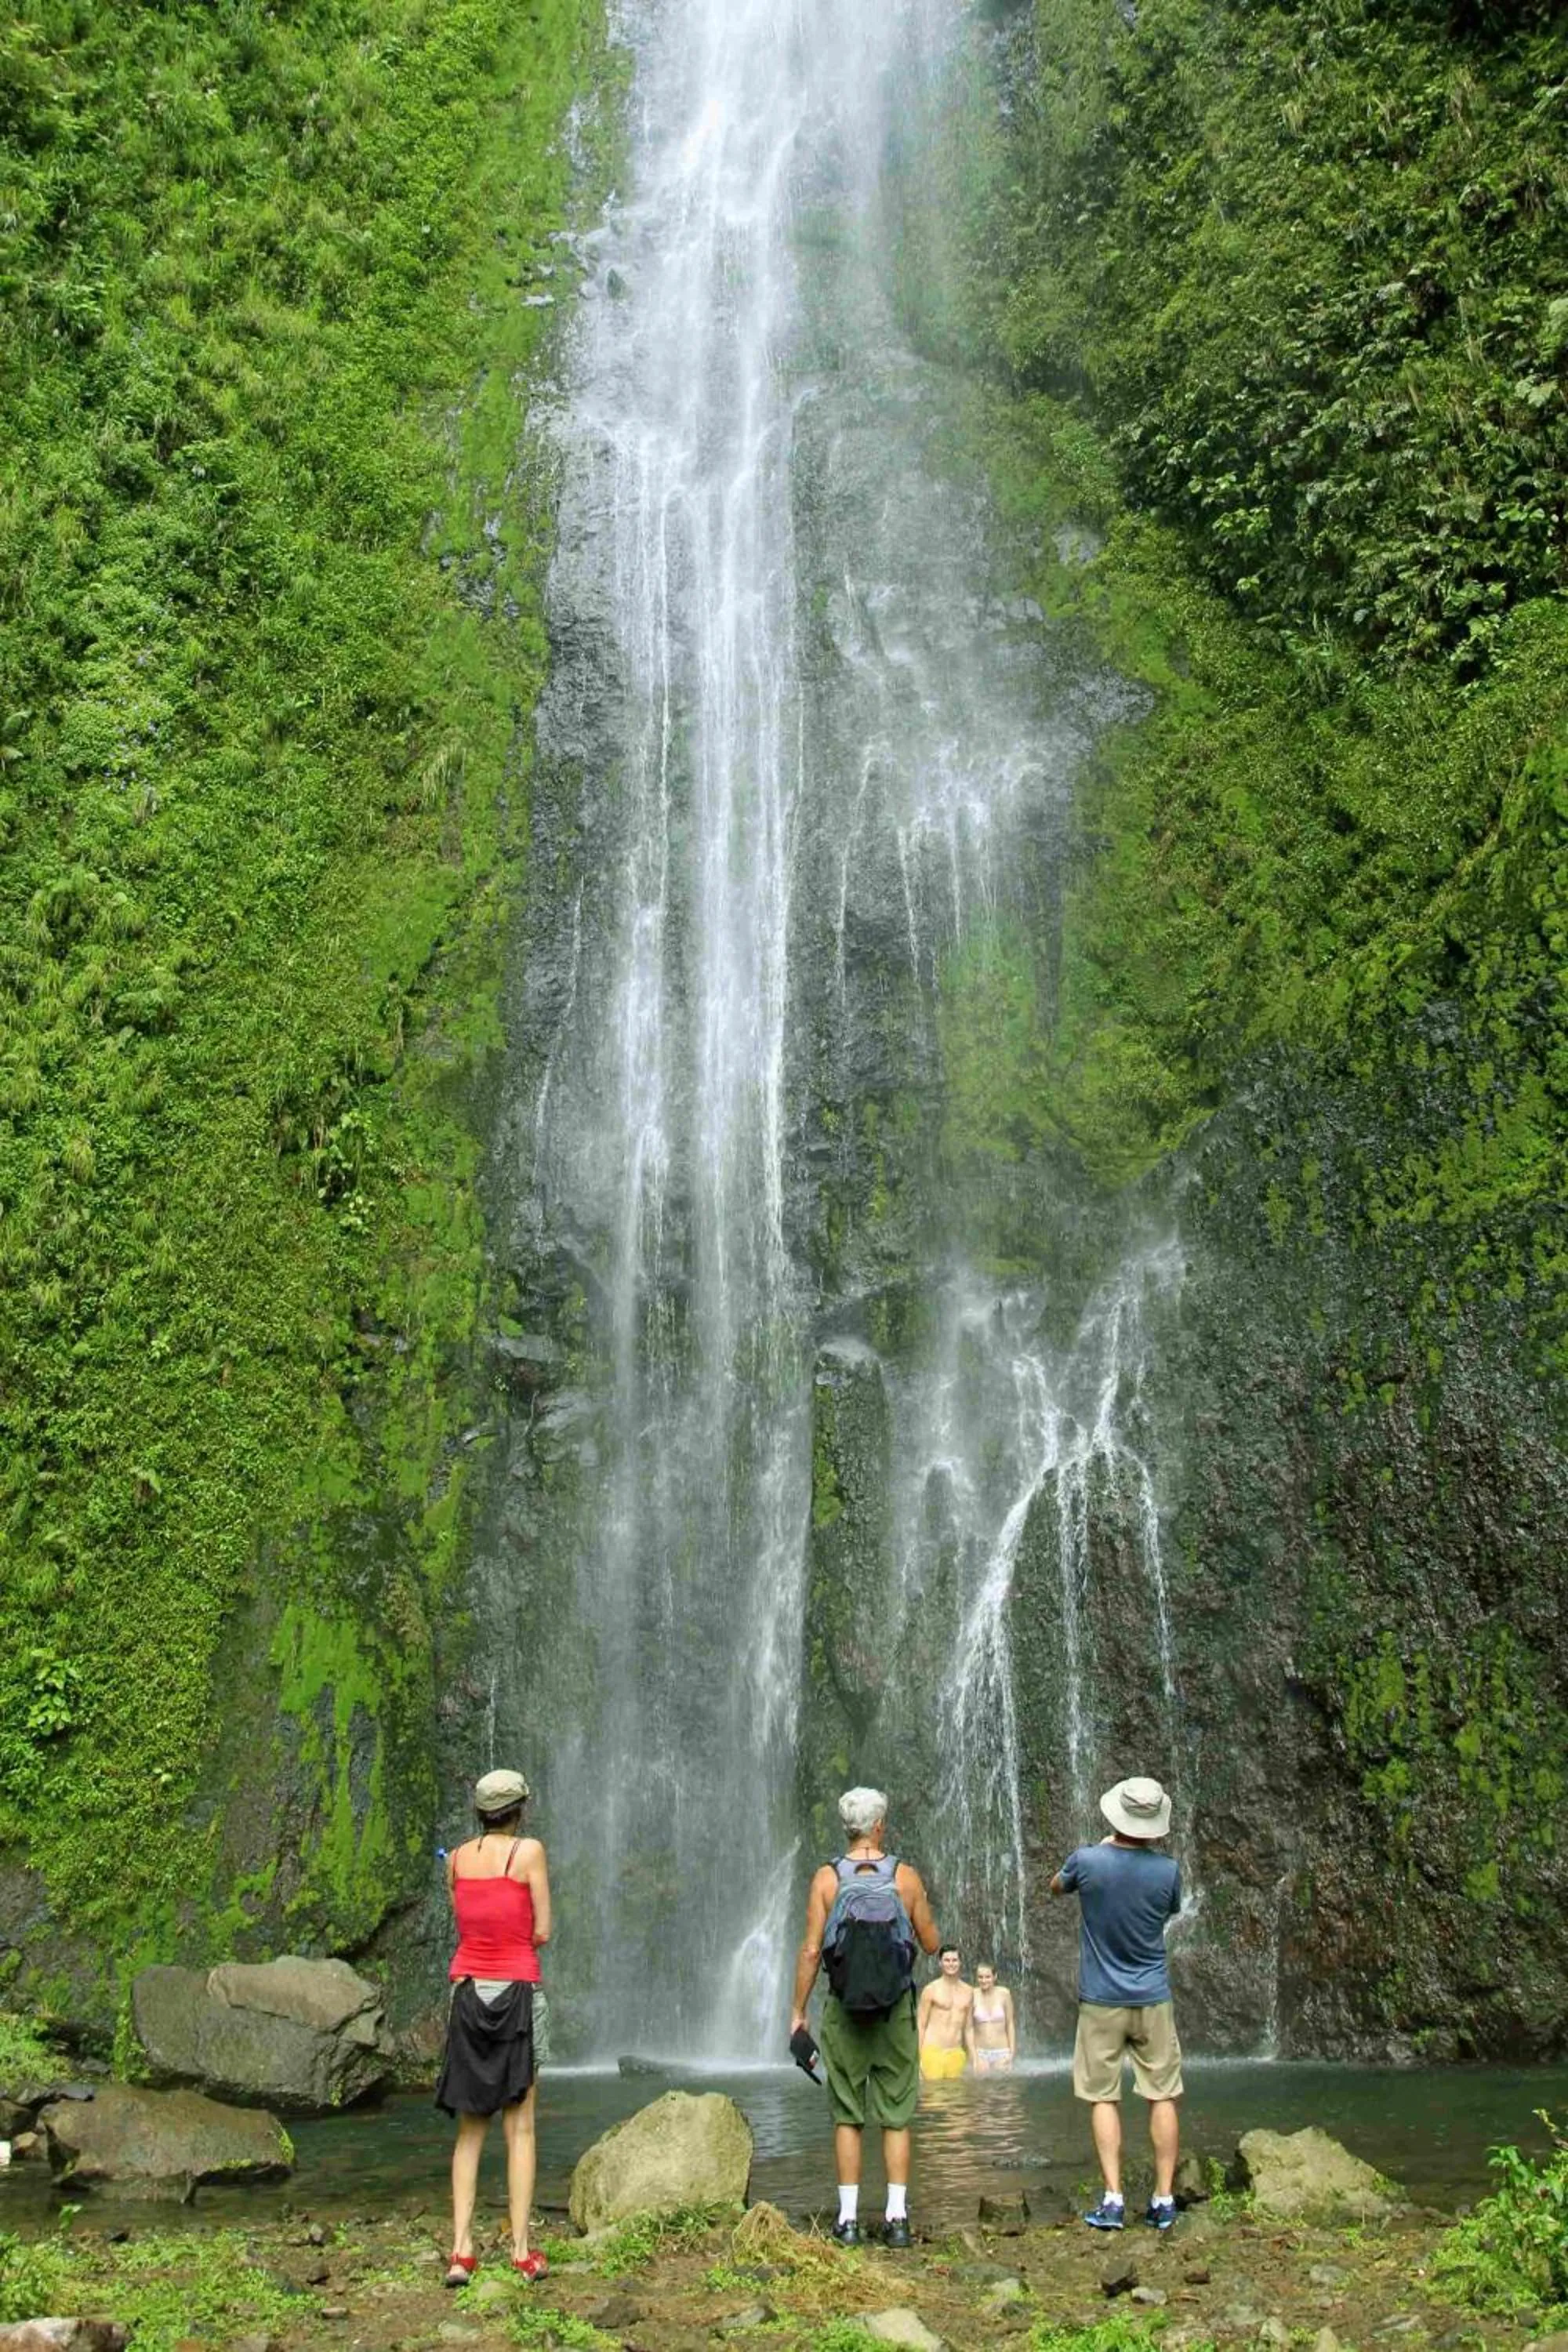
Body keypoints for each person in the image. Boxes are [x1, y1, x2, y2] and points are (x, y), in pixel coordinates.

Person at [789, 1786, 940, 2249]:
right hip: (895, 2011)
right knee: (896, 2115)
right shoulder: (905, 1877)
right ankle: (897, 2219)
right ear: (880, 1826)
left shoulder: (826, 1879)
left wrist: (798, 2012)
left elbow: (813, 1950)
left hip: (843, 2010)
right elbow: (932, 1944)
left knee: (848, 2116)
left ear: (847, 1828)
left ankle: (849, 2220)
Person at [1051, 1774, 1183, 2232]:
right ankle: (1163, 2199)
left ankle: (1112, 2199)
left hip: (1101, 1999)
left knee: (1102, 2096)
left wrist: (1100, 1850)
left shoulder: (1086, 1861)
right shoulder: (1167, 1871)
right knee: (1162, 2093)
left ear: (1116, 1816)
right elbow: (1169, 1909)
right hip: (1152, 1997)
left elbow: (1055, 1887)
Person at [436, 1769, 551, 2285]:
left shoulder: (456, 1859)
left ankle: (461, 2251)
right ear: (520, 1809)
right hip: (517, 1993)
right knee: (520, 2126)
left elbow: (465, 1918)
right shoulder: (528, 1854)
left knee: (469, 2132)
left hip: (467, 1992)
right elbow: (542, 1929)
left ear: (480, 1811)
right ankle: (522, 2251)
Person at [916, 1947, 972, 2080]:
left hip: (956, 2053)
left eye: (954, 1960)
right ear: (940, 1963)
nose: (951, 1964)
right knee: (934, 2097)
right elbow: (921, 2025)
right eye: (947, 1960)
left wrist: (974, 2057)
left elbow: (969, 2029)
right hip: (932, 2051)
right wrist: (917, 2058)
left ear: (960, 1963)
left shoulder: (969, 1991)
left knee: (956, 2098)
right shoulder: (931, 1990)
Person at [967, 1962, 1016, 2072]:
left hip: (1002, 2052)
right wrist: (974, 2057)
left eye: (988, 1977)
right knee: (982, 2088)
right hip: (980, 2052)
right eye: (980, 1977)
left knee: (1004, 2088)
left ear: (995, 1977)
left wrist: (1011, 2053)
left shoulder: (1004, 1994)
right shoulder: (972, 1995)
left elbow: (1010, 2024)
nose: (984, 1981)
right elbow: (969, 2028)